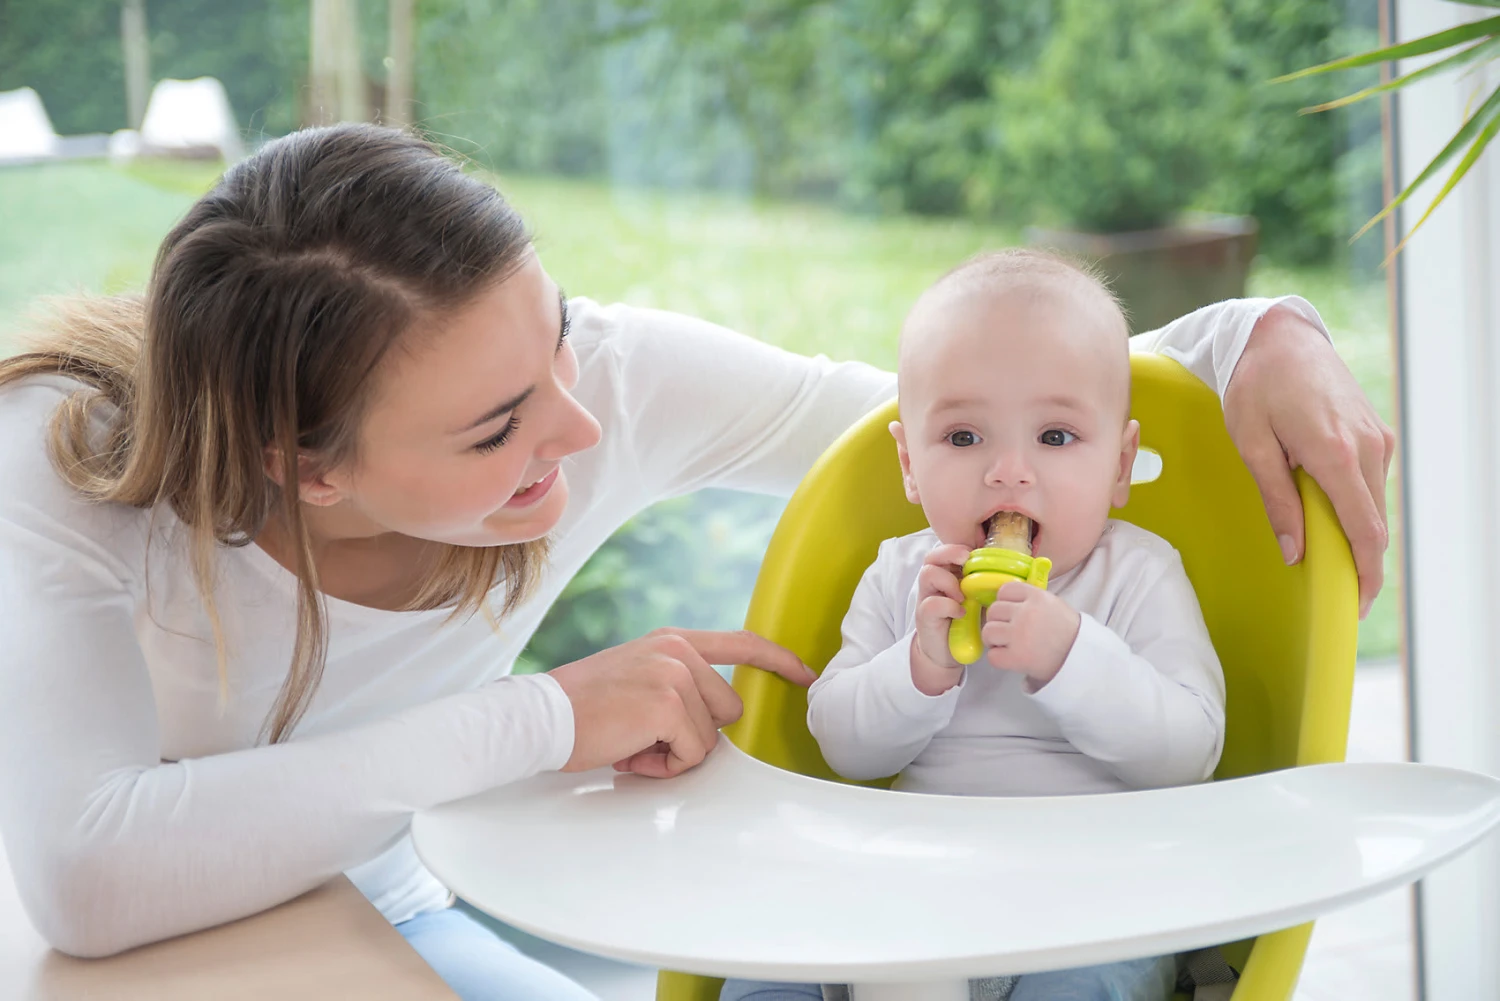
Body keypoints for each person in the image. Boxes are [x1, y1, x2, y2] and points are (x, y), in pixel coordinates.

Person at [0, 124, 1391, 1001]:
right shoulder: (65, 458)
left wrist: (1260, 331)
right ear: (307, 469)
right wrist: (548, 718)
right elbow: (88, 875)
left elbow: (967, 412)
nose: (581, 425)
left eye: (556, 333)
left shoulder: (601, 384)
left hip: (400, 905)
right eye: (497, 427)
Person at [721, 250, 1223, 1001]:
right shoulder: (902, 575)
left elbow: (1189, 754)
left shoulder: (1139, 573)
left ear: (1120, 465)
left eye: (1055, 437)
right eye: (963, 438)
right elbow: (845, 748)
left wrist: (1072, 655)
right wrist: (919, 666)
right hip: (911, 887)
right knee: (762, 969)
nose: (1008, 471)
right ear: (908, 463)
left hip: (1091, 900)